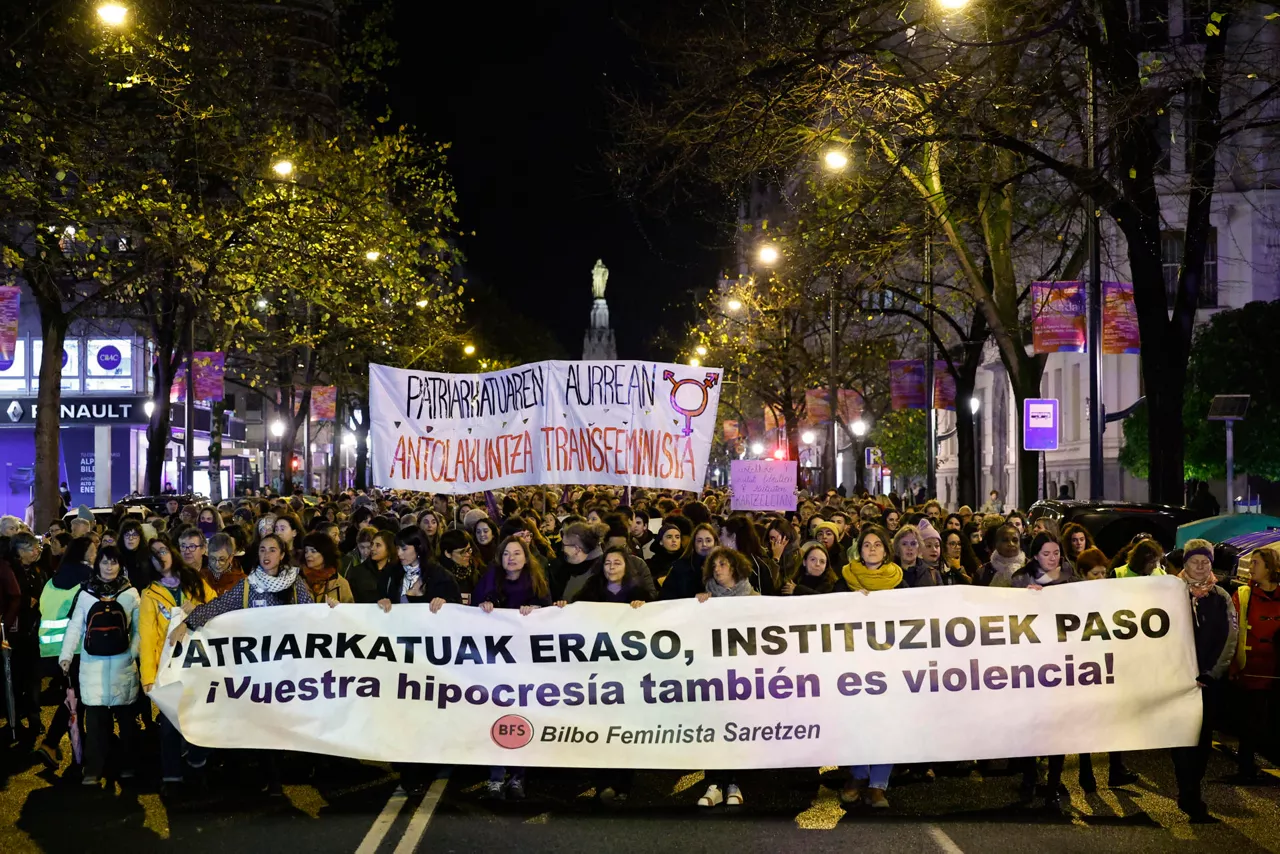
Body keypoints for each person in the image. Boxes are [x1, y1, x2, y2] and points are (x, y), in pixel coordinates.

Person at [376, 526, 463, 795]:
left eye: (404, 548)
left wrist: (444, 605)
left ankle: (424, 766)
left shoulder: (439, 576)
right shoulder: (391, 575)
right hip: (399, 658)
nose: (399, 553)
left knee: (425, 713)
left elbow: (459, 614)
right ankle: (408, 767)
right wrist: (381, 603)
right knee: (402, 713)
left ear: (418, 548)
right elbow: (377, 603)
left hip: (429, 661)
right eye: (398, 548)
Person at [475, 536, 552, 801]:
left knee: (521, 719)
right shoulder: (490, 579)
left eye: (517, 553)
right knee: (496, 717)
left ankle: (518, 776)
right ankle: (496, 777)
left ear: (526, 556)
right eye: (506, 553)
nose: (511, 558)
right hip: (496, 663)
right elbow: (474, 611)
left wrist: (538, 611)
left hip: (526, 664)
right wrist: (483, 607)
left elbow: (549, 612)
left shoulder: (536, 580)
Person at [59, 546, 141, 786]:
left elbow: (138, 629)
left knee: (126, 724)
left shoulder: (130, 593)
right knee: (95, 724)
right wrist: (66, 655)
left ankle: (126, 766)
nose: (109, 567)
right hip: (92, 666)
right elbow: (75, 626)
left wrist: (132, 654)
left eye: (113, 562)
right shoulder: (85, 593)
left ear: (120, 565)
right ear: (97, 565)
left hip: (122, 665)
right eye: (104, 562)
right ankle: (94, 769)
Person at [139, 536, 216, 789]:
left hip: (199, 664)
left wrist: (197, 608)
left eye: (163, 550)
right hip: (169, 666)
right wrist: (148, 677)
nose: (160, 557)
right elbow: (148, 637)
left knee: (200, 718)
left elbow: (217, 608)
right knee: (170, 723)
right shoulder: (150, 594)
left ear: (172, 552)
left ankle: (197, 763)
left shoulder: (194, 582)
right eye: (154, 554)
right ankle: (172, 776)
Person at [1171, 538, 1237, 822]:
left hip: (1207, 682)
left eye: (1205, 561)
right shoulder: (1168, 593)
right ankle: (1187, 792)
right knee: (1180, 739)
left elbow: (1229, 639)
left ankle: (1192, 789)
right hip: (1177, 681)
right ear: (1184, 563)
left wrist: (1212, 673)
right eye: (1194, 561)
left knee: (1201, 740)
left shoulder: (1221, 596)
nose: (1200, 566)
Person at [1012, 532, 1078, 810]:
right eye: (1046, 554)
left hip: (1061, 660)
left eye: (1056, 553)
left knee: (1057, 727)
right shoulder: (1020, 580)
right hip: (1029, 662)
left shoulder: (1072, 579)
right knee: (1030, 725)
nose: (1053, 559)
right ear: (1035, 556)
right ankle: (1029, 776)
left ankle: (1053, 784)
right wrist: (1027, 599)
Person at [695, 547, 757, 807]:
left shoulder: (753, 598)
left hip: (743, 675)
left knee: (737, 729)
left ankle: (734, 783)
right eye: (714, 565)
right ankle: (714, 783)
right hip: (714, 676)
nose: (717, 569)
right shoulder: (704, 600)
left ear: (735, 568)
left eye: (723, 564)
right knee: (715, 728)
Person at [35, 536, 96, 769]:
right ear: (85, 553)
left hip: (49, 650)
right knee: (75, 701)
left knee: (69, 698)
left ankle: (74, 751)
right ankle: (53, 745)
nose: (96, 553)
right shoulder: (87, 578)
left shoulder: (53, 579)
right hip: (75, 649)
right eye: (94, 549)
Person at [1230, 548, 1280, 781]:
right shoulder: (1243, 595)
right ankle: (1246, 767)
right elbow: (1231, 632)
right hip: (1249, 669)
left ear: (1270, 568)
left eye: (1256, 563)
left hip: (1275, 669)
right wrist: (1232, 667)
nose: (1251, 568)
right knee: (1250, 720)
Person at [719, 515, 779, 596]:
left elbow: (764, 597)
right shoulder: (719, 563)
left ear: (733, 537)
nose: (720, 539)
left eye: (723, 534)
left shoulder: (755, 567)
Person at [549, 521, 608, 602]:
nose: (563, 549)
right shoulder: (562, 566)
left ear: (576, 549)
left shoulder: (602, 570)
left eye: (564, 545)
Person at [660, 523, 717, 600]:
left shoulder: (726, 565)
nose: (704, 544)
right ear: (693, 544)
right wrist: (693, 598)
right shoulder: (680, 568)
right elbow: (666, 596)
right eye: (699, 541)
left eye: (708, 540)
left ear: (715, 542)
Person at [838, 526, 901, 593]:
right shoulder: (845, 580)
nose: (872, 549)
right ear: (861, 552)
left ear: (885, 551)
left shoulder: (898, 581)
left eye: (877, 545)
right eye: (867, 545)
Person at [301, 532, 354, 604]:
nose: (308, 555)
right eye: (306, 551)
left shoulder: (340, 583)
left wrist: (338, 607)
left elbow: (349, 610)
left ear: (325, 553)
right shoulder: (299, 579)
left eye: (313, 551)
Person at [346, 529, 396, 604]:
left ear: (389, 548)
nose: (372, 548)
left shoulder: (398, 572)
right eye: (372, 544)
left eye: (378, 545)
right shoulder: (357, 572)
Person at [438, 529, 480, 604]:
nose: (468, 554)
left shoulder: (476, 571)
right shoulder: (439, 577)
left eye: (469, 550)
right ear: (447, 553)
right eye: (462, 552)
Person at [202, 532, 246, 596]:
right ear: (207, 554)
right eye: (212, 559)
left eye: (222, 559)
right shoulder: (200, 577)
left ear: (231, 557)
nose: (217, 564)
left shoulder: (241, 581)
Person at [647, 521, 686, 587]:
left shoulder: (687, 560)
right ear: (661, 541)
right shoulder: (653, 563)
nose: (674, 540)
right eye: (669, 537)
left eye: (677, 537)